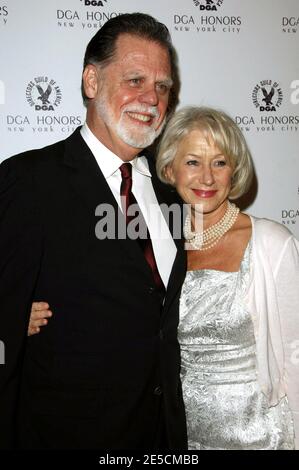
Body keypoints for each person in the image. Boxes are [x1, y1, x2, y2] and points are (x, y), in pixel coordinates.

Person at [0, 13, 188, 450]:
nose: (151, 99)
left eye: (162, 87)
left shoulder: (172, 194)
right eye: (135, 80)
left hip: (164, 439)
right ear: (91, 81)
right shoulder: (29, 181)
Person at [155, 105, 299, 450]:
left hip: (260, 437)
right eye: (193, 162)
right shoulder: (157, 247)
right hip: (179, 436)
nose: (207, 178)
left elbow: (296, 354)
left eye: (219, 163)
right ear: (169, 168)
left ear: (234, 171)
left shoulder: (271, 243)